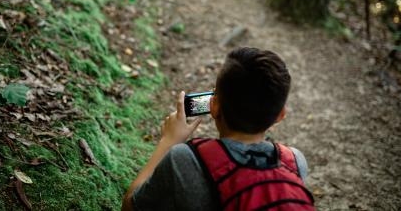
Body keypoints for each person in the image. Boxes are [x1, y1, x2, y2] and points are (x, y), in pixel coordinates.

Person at [121, 47, 315, 211]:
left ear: (214, 106)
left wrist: (168, 142)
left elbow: (130, 206)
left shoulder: (184, 159)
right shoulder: (296, 162)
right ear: (280, 115)